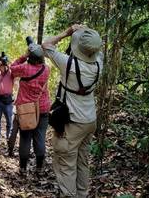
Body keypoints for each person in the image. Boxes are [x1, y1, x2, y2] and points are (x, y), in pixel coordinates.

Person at [42, 25, 103, 197]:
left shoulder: (68, 63)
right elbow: (98, 45)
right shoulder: (99, 63)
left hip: (73, 123)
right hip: (90, 121)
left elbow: (45, 45)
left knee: (66, 164)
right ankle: (82, 194)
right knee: (83, 162)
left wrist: (68, 32)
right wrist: (88, 30)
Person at [10, 40, 50, 177]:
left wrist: (24, 55)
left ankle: (22, 169)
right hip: (42, 109)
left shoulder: (24, 69)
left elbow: (12, 68)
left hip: (26, 110)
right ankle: (39, 168)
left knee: (25, 138)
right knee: (40, 138)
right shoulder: (46, 69)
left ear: (29, 57)